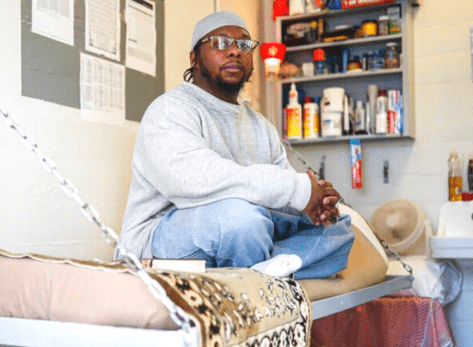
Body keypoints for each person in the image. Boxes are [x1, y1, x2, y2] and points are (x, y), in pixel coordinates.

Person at [116, 11, 354, 279]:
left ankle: (264, 269)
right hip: (161, 238)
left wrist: (315, 204)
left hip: (244, 229)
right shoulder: (170, 109)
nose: (234, 51)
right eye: (220, 43)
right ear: (194, 58)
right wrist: (298, 189)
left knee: (340, 226)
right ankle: (278, 263)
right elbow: (194, 181)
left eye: (244, 44)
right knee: (241, 220)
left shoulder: (260, 125)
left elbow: (281, 198)